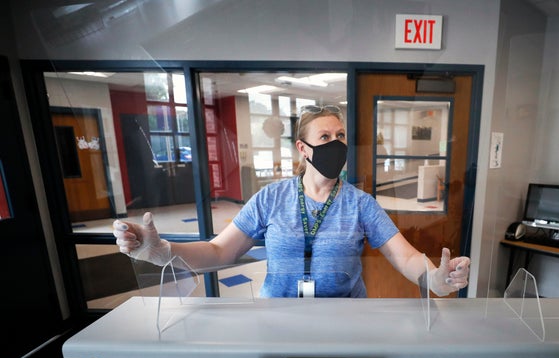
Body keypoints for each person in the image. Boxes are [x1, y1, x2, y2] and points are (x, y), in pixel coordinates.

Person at [113, 104, 471, 298]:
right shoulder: (271, 198)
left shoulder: (361, 204)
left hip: (344, 321)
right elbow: (220, 252)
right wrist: (161, 251)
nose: (337, 142)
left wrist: (436, 281)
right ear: (303, 148)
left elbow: (405, 256)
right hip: (279, 318)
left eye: (341, 135)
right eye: (325, 136)